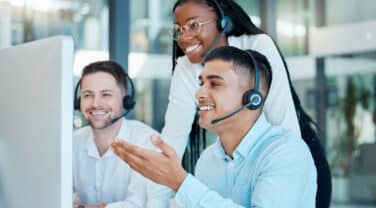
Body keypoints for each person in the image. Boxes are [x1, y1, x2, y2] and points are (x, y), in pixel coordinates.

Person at [161, 0, 331, 207]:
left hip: (286, 161)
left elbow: (284, 122)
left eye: (194, 25)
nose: (184, 36)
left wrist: (290, 166)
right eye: (178, 29)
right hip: (235, 162)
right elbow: (172, 141)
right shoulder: (186, 68)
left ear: (222, 22)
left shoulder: (258, 46)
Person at [112, 46, 317, 207]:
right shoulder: (208, 159)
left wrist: (180, 181)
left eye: (215, 84)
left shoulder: (286, 152)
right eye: (201, 83)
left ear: (252, 99)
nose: (199, 93)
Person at [73, 61, 171, 208]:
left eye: (106, 95)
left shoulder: (146, 142)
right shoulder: (72, 143)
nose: (95, 103)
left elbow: (142, 205)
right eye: (87, 95)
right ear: (79, 101)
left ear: (126, 101)